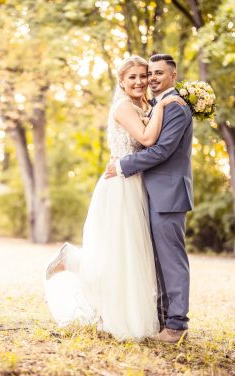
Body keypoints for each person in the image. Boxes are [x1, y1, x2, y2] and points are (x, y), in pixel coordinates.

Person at [44, 55, 185, 341]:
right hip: (119, 184)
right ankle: (71, 259)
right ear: (121, 81)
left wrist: (159, 106)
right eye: (132, 77)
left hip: (136, 184)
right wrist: (166, 104)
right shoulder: (123, 107)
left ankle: (134, 315)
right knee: (118, 253)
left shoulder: (145, 105)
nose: (139, 81)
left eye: (143, 76)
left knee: (130, 254)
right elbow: (146, 139)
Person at [105, 54, 194, 344]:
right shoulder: (153, 105)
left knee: (171, 261)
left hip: (168, 193)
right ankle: (163, 320)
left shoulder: (176, 108)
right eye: (149, 73)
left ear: (173, 76)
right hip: (147, 192)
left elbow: (160, 151)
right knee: (151, 260)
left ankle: (177, 325)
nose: (151, 79)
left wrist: (122, 166)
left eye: (157, 73)